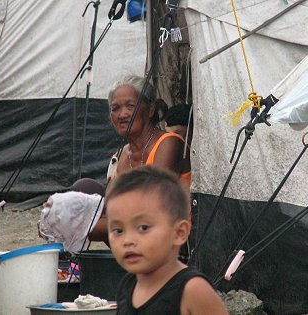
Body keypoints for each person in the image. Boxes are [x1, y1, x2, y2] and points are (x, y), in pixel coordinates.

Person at [75, 74, 191, 244]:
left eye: (130, 106)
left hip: (169, 244)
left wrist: (77, 226)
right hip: (133, 241)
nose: (122, 114)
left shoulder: (169, 144)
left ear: (150, 110)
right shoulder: (119, 157)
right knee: (83, 188)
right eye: (115, 108)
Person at [105, 165, 228, 315]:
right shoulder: (128, 286)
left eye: (143, 228)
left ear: (179, 232)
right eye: (118, 230)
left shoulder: (192, 290)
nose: (127, 240)